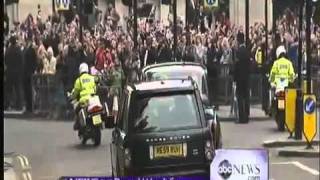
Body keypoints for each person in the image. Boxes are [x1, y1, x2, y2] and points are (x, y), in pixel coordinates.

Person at [71, 63, 98, 130]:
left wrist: (72, 97)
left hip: (83, 100)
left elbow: (75, 92)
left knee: (76, 110)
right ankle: (97, 122)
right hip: (93, 100)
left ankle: (77, 124)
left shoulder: (79, 80)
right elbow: (95, 89)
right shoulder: (92, 78)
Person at [234, 32, 251, 123]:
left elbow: (236, 66)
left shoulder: (238, 52)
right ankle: (247, 115)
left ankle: (241, 117)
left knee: (240, 97)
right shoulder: (247, 51)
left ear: (238, 40)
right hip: (246, 77)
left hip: (240, 78)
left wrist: (234, 78)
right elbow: (249, 65)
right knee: (246, 96)